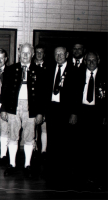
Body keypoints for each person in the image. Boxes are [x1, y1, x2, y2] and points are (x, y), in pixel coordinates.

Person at [0, 43, 44, 178]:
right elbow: (5, 91)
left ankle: (27, 165)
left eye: (27, 53)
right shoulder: (10, 69)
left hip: (31, 108)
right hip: (13, 106)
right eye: (22, 53)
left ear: (32, 54)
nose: (25, 56)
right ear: (19, 54)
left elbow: (43, 94)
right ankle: (12, 164)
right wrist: (4, 109)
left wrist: (40, 112)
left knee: (29, 137)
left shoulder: (40, 71)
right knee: (12, 135)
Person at [43, 46, 79, 184]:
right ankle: (51, 170)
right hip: (52, 109)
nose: (59, 56)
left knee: (65, 141)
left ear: (67, 54)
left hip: (66, 111)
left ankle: (64, 171)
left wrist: (74, 113)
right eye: (56, 54)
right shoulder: (50, 69)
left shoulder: (75, 71)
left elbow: (77, 94)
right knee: (52, 140)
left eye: (61, 54)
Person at [75, 51, 107, 190]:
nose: (91, 63)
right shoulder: (78, 74)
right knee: (81, 146)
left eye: (94, 60)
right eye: (89, 60)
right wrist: (74, 113)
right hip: (82, 112)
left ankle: (97, 177)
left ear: (98, 60)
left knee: (98, 148)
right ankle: (81, 177)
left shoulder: (105, 75)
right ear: (85, 61)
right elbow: (73, 95)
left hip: (98, 114)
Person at [32, 44, 48, 160]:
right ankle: (34, 149)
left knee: (44, 126)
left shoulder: (50, 67)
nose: (39, 54)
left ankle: (44, 150)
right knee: (32, 126)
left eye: (41, 52)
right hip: (32, 101)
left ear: (44, 54)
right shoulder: (29, 66)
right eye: (37, 52)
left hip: (45, 101)